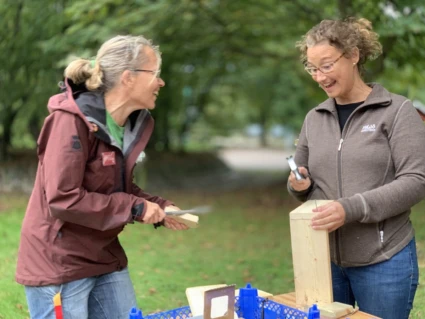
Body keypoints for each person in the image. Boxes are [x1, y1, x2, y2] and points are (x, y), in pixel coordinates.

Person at [15, 35, 188, 319]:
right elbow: (63, 198)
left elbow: (116, 187)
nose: (161, 82)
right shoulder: (70, 121)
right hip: (59, 262)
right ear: (128, 77)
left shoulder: (126, 125)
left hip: (104, 255)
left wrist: (158, 205)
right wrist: (134, 208)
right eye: (155, 73)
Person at [288, 18, 425, 319]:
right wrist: (299, 185)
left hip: (384, 260)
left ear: (353, 55)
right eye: (312, 68)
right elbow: (303, 181)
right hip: (323, 260)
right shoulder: (314, 118)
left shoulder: (398, 111)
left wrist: (349, 209)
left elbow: (417, 181)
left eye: (326, 65)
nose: (319, 77)